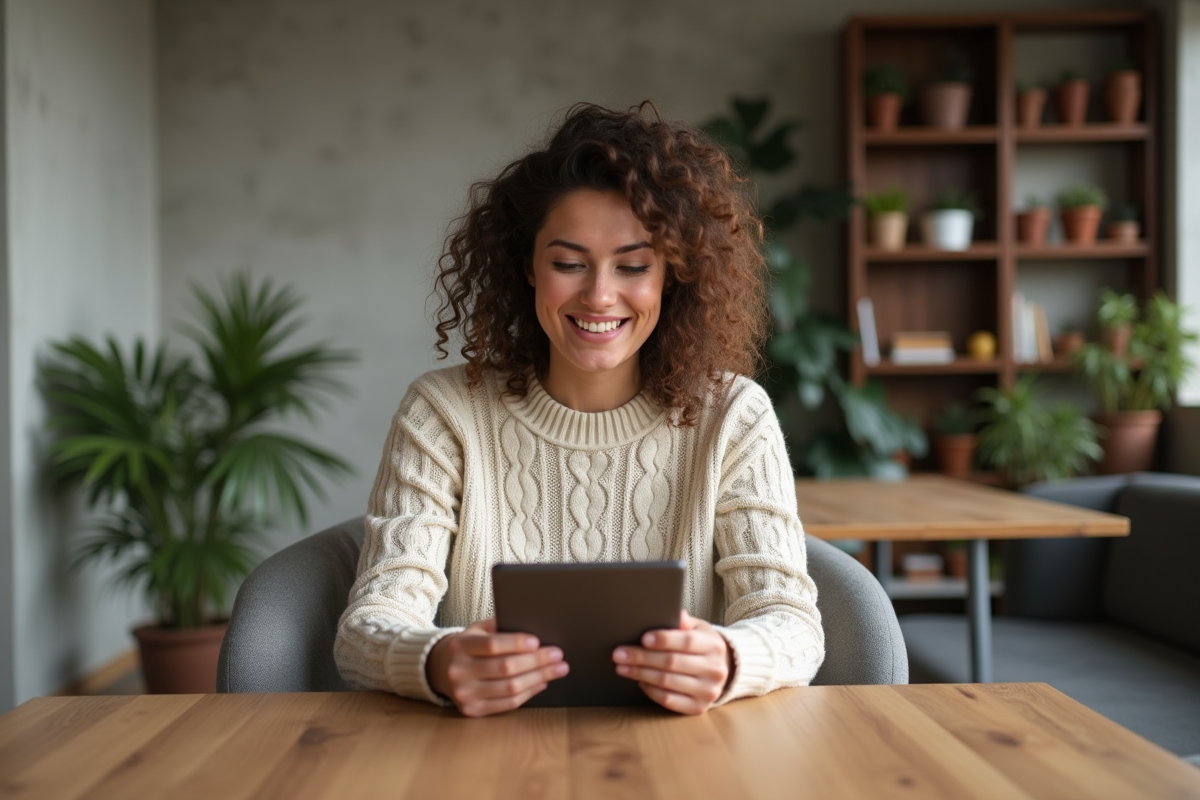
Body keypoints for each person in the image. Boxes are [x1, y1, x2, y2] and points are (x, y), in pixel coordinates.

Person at [335, 101, 824, 717]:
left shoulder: (733, 416)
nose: (599, 295)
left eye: (633, 266)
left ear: (672, 275)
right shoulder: (443, 414)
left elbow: (792, 623)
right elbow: (368, 627)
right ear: (528, 268)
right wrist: (436, 661)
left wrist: (729, 658)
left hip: (681, 749)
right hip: (483, 750)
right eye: (568, 264)